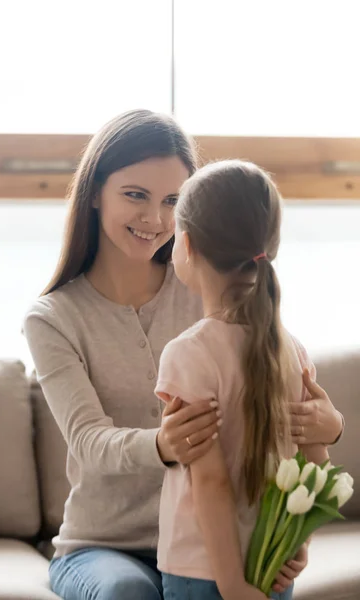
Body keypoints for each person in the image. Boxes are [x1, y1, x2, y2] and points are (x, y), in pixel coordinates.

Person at [23, 110, 344, 600]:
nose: (155, 220)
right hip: (103, 546)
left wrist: (327, 425)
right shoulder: (53, 318)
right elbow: (88, 441)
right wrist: (163, 445)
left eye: (173, 200)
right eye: (135, 195)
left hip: (218, 542)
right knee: (128, 592)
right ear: (93, 192)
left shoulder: (210, 284)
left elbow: (276, 392)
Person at [154, 159, 334, 600]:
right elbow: (318, 463)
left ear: (188, 244)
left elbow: (210, 481)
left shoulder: (187, 355)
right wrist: (299, 544)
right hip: (273, 563)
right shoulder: (290, 350)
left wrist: (232, 585)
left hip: (203, 571)